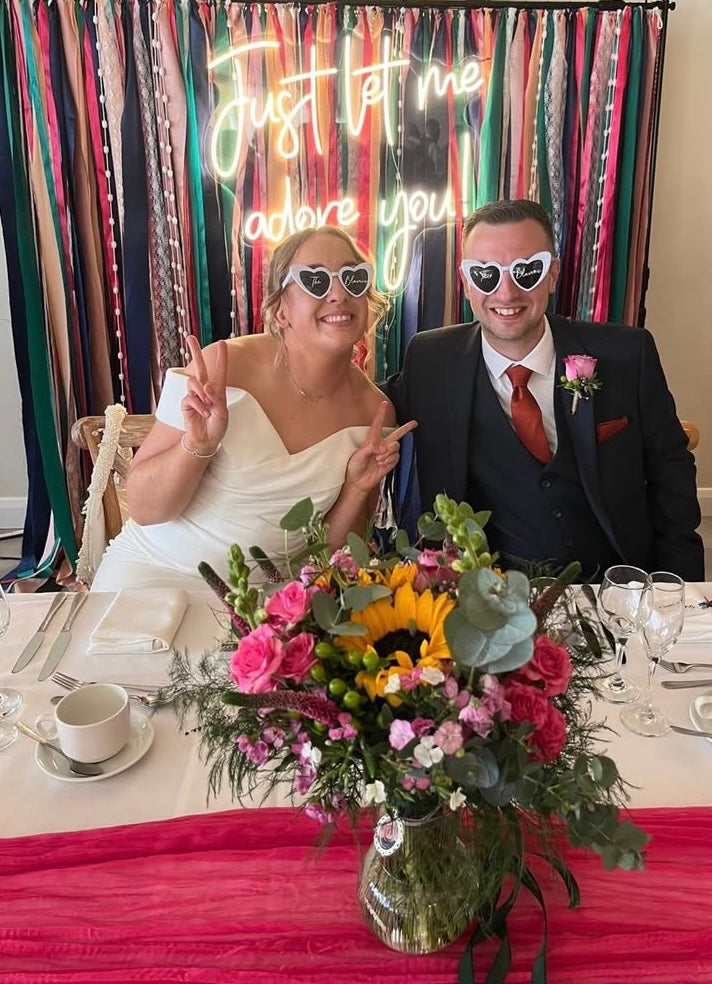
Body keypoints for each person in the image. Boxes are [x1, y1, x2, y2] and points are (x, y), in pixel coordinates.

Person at [385, 199, 704, 581]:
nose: (506, 293)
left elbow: (671, 474)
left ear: (552, 274)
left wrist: (678, 591)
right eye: (486, 274)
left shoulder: (628, 354)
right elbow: (359, 405)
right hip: (486, 603)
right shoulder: (430, 359)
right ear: (466, 280)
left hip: (614, 589)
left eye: (526, 271)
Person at [91, 228, 416, 591]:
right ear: (280, 311)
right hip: (154, 575)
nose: (339, 294)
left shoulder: (375, 412)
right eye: (315, 280)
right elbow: (145, 509)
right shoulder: (223, 367)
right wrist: (197, 448)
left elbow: (328, 554)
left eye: (354, 279)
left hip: (269, 601)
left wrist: (357, 488)